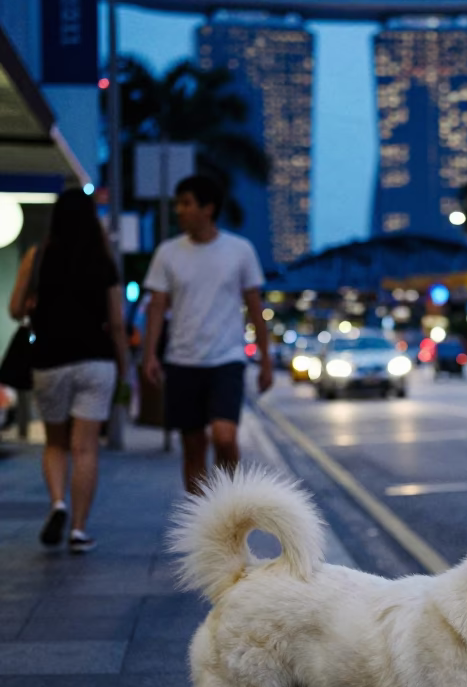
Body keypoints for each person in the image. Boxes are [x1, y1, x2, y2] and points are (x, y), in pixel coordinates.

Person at [8, 188, 128, 553]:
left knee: (56, 443)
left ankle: (58, 502)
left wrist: (34, 301)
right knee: (86, 448)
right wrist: (126, 369)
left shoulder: (39, 256)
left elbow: (15, 310)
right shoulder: (103, 258)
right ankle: (78, 530)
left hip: (49, 360)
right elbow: (117, 323)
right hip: (95, 360)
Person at [142, 174, 272, 493]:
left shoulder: (240, 250)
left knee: (224, 437)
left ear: (208, 209)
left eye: (186, 204)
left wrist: (266, 360)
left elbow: (255, 307)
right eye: (178, 204)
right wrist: (149, 356)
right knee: (193, 446)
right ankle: (202, 522)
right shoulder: (167, 253)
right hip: (182, 360)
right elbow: (157, 306)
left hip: (226, 359)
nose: (179, 211)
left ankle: (228, 506)